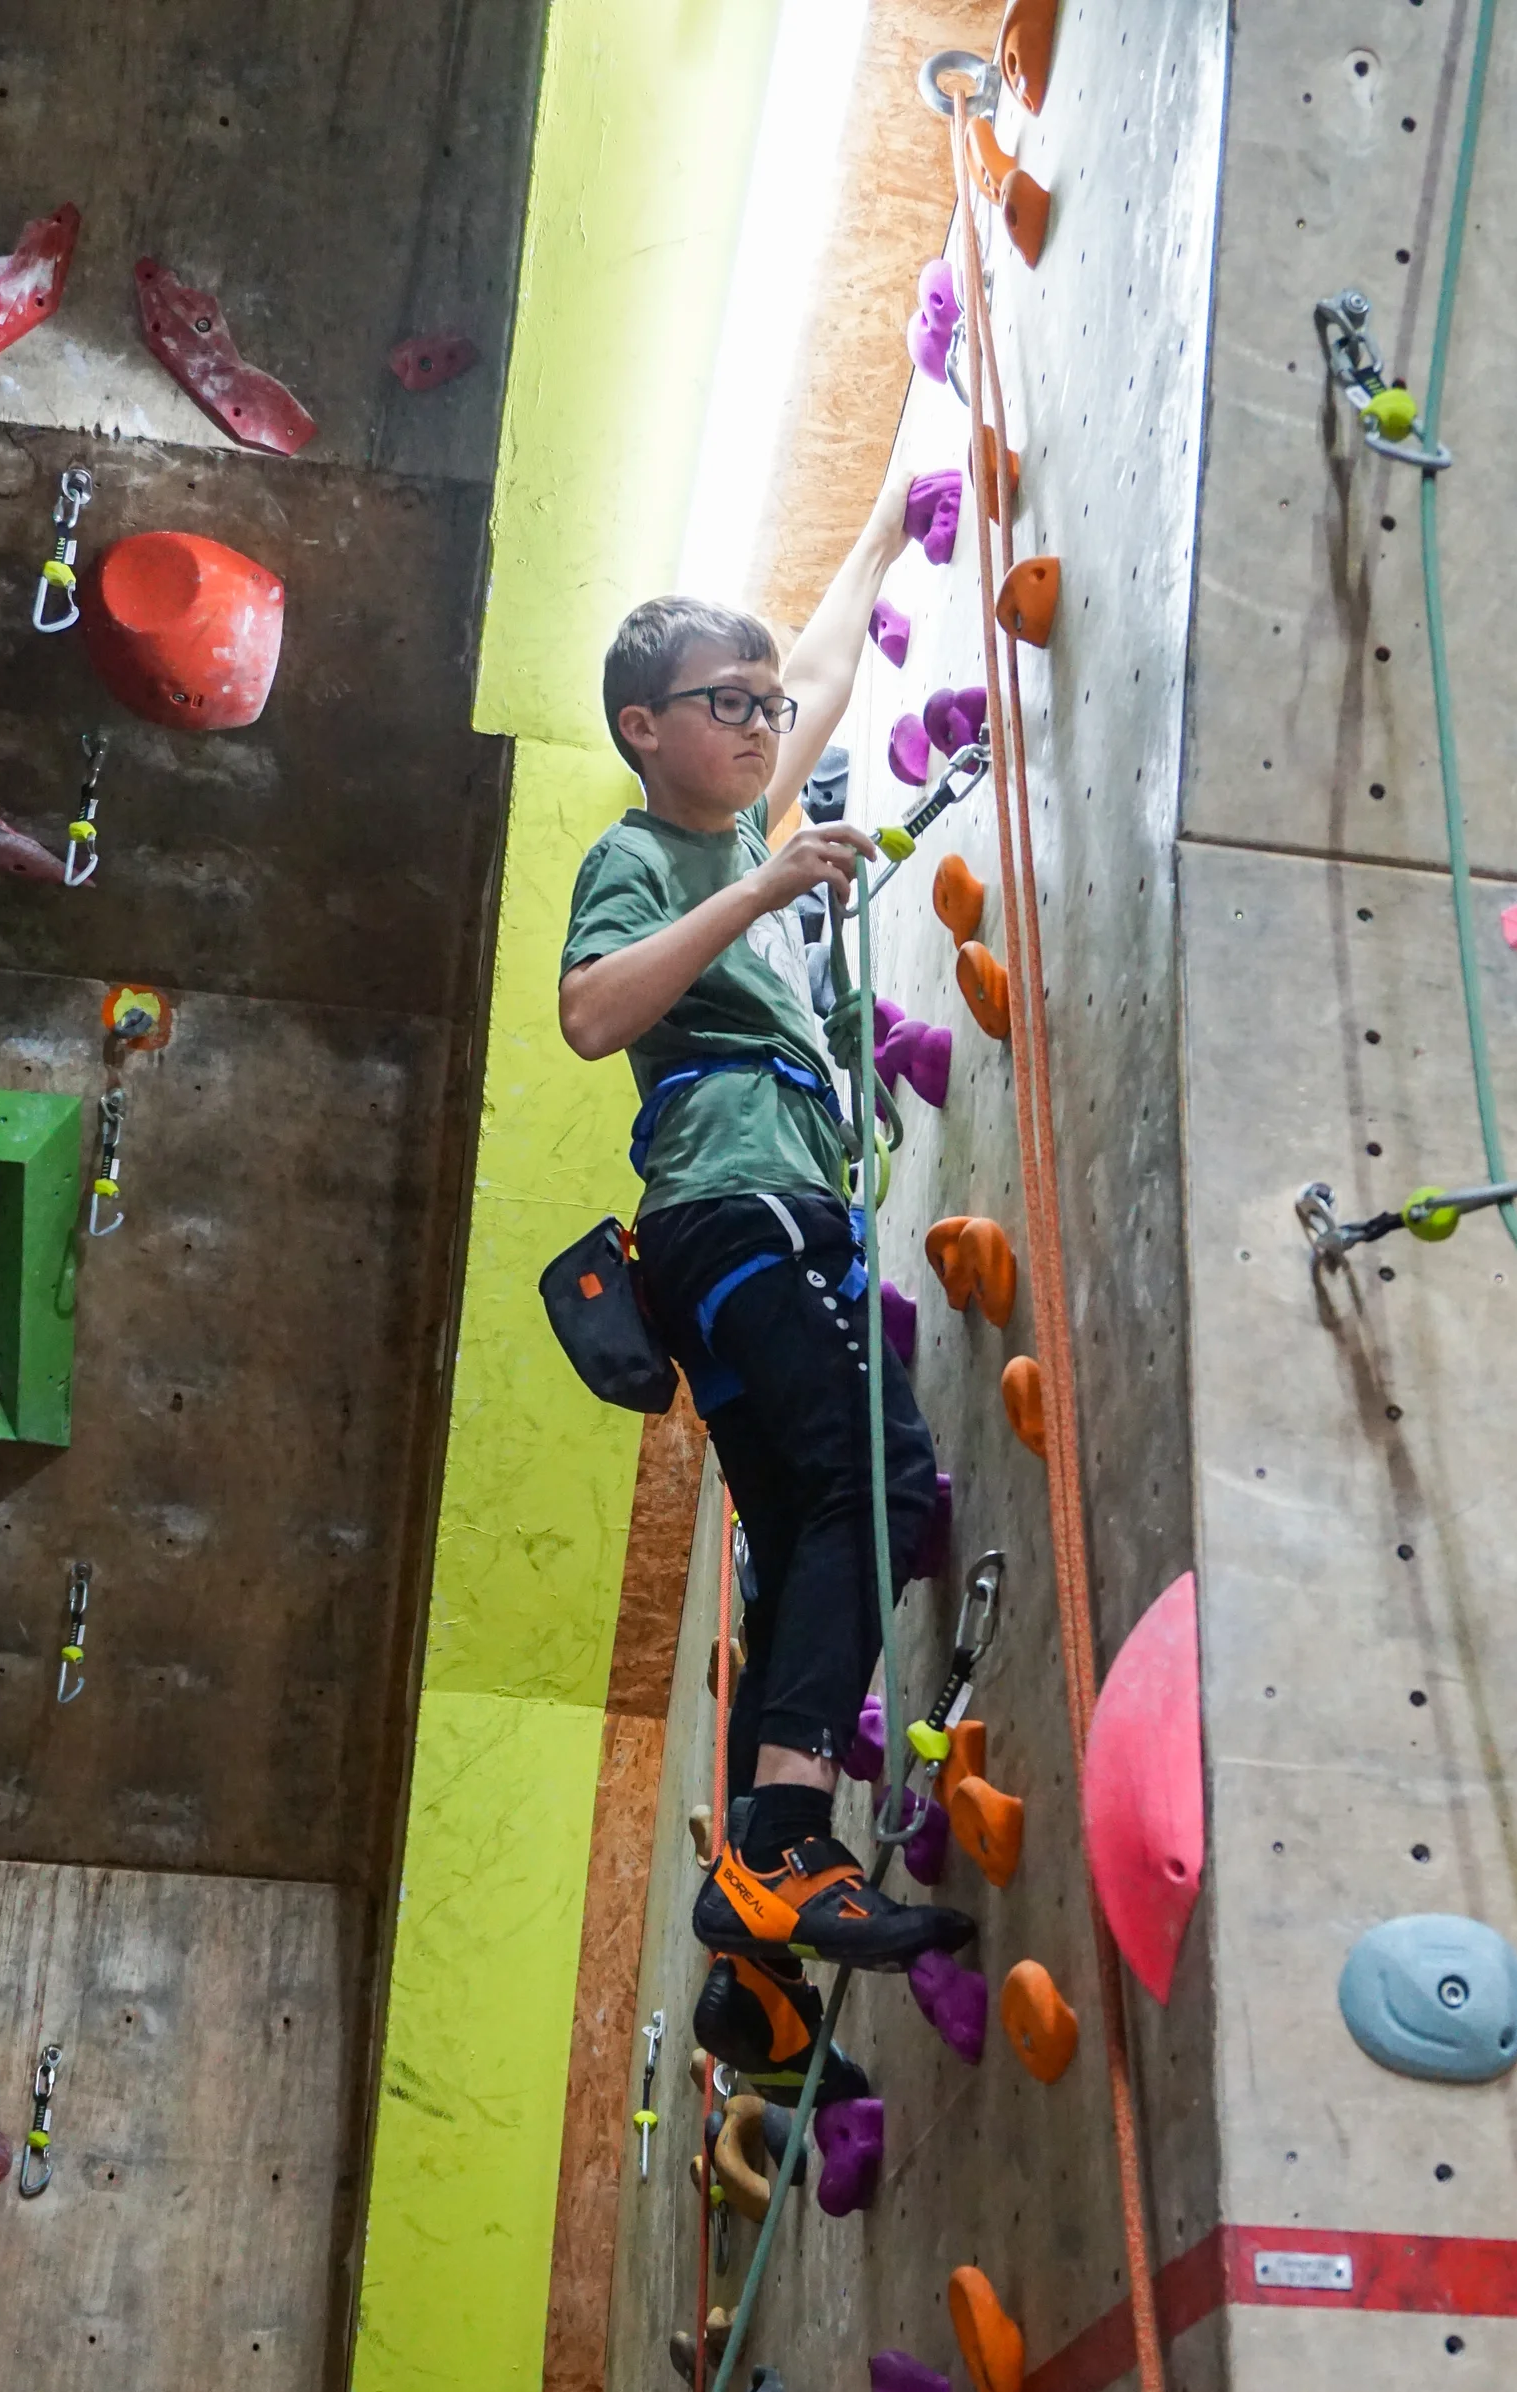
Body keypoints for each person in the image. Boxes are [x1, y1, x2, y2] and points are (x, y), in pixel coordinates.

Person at [557, 478, 974, 2097]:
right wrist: (755, 887)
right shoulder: (649, 854)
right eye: (727, 709)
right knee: (879, 1480)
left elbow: (818, 663)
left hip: (758, 1220)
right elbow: (594, 1017)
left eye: (764, 707)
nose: (758, 723)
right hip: (730, 1208)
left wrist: (876, 531)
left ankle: (758, 1966)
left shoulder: (727, 825)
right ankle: (792, 1838)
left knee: (817, 1514)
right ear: (643, 727)